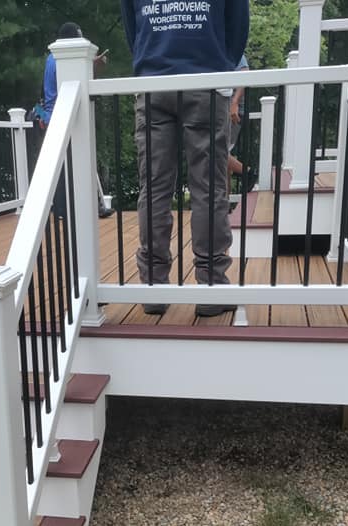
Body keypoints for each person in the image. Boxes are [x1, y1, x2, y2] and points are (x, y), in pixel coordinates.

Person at [121, 0, 249, 317]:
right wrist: (219, 63)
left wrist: (151, 60)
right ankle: (211, 286)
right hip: (206, 78)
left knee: (154, 188)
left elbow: (131, 27)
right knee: (208, 189)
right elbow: (237, 28)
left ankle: (154, 287)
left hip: (152, 81)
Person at [36, 22, 113, 218]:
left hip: (55, 116)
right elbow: (73, 85)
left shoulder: (50, 59)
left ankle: (76, 208)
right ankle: (73, 209)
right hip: (64, 116)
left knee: (66, 166)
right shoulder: (61, 60)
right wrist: (92, 67)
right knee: (74, 165)